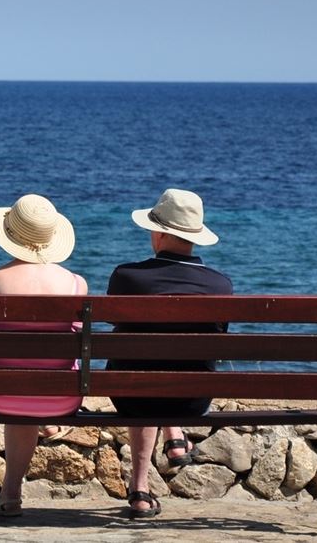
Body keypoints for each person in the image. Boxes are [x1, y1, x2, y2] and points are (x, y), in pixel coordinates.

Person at [106, 188, 233, 518]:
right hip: (191, 401)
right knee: (170, 366)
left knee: (139, 367)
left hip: (131, 396)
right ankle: (174, 434)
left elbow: (114, 324)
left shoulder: (127, 277)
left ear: (159, 233)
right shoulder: (220, 286)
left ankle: (139, 489)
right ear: (194, 237)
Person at [0, 194, 88, 517]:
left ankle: (10, 495)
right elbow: (76, 345)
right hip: (60, 399)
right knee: (31, 381)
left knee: (13, 380)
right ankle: (10, 493)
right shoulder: (76, 285)